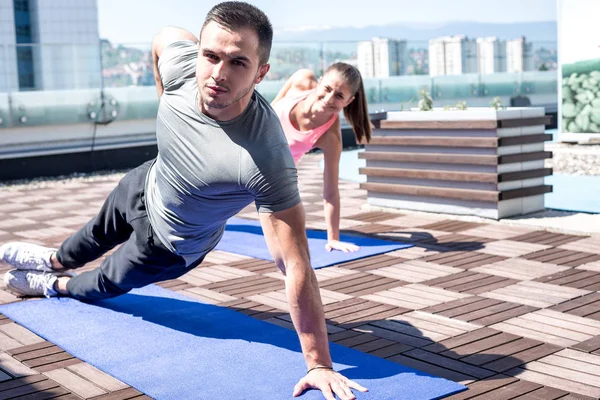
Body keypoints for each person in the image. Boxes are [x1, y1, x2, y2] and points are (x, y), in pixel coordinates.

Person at [0, 2, 367, 399]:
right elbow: (163, 38)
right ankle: (55, 259)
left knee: (106, 279)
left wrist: (319, 363)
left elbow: (295, 265)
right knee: (90, 235)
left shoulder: (265, 156)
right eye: (210, 56)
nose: (218, 74)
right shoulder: (181, 69)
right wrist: (167, 104)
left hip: (170, 245)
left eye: (238, 63)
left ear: (261, 72)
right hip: (144, 183)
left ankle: (55, 285)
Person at [271, 64, 372, 253]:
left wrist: (333, 238)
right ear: (319, 82)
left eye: (339, 96)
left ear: (348, 102)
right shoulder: (301, 78)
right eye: (326, 89)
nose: (328, 99)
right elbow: (267, 109)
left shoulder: (330, 137)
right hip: (245, 152)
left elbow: (331, 192)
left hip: (272, 177)